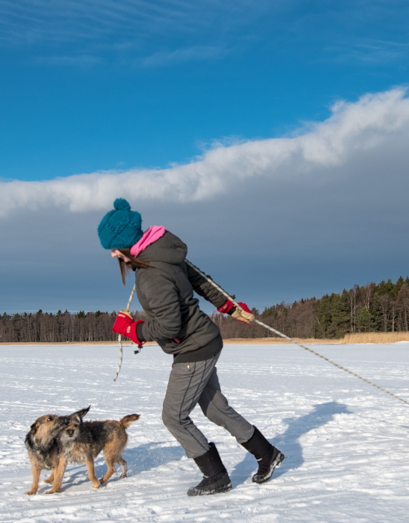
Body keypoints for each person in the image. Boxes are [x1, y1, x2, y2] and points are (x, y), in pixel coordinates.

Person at [97, 198, 285, 496]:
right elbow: (198, 279)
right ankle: (268, 454)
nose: (112, 254)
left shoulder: (151, 274)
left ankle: (216, 476)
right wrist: (227, 305)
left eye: (113, 247)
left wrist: (134, 329)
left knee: (173, 416)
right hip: (206, 340)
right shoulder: (162, 252)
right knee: (215, 409)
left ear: (125, 243)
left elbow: (169, 327)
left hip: (194, 349)